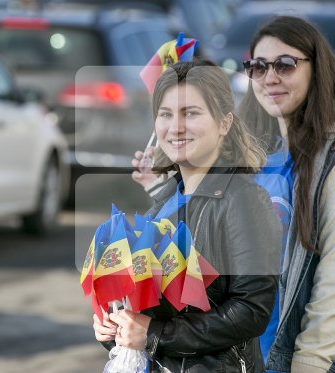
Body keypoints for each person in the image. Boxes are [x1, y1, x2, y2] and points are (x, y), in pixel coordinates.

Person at [93, 60, 282, 372]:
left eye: (190, 113)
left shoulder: (245, 200)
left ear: (224, 123)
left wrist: (153, 334)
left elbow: (251, 311)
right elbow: (152, 303)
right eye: (166, 114)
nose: (175, 127)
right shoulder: (165, 200)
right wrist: (116, 325)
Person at [238, 16, 335, 373]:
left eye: (285, 65)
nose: (270, 77)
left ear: (316, 70)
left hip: (319, 362)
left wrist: (309, 364)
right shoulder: (263, 157)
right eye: (258, 66)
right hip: (256, 358)